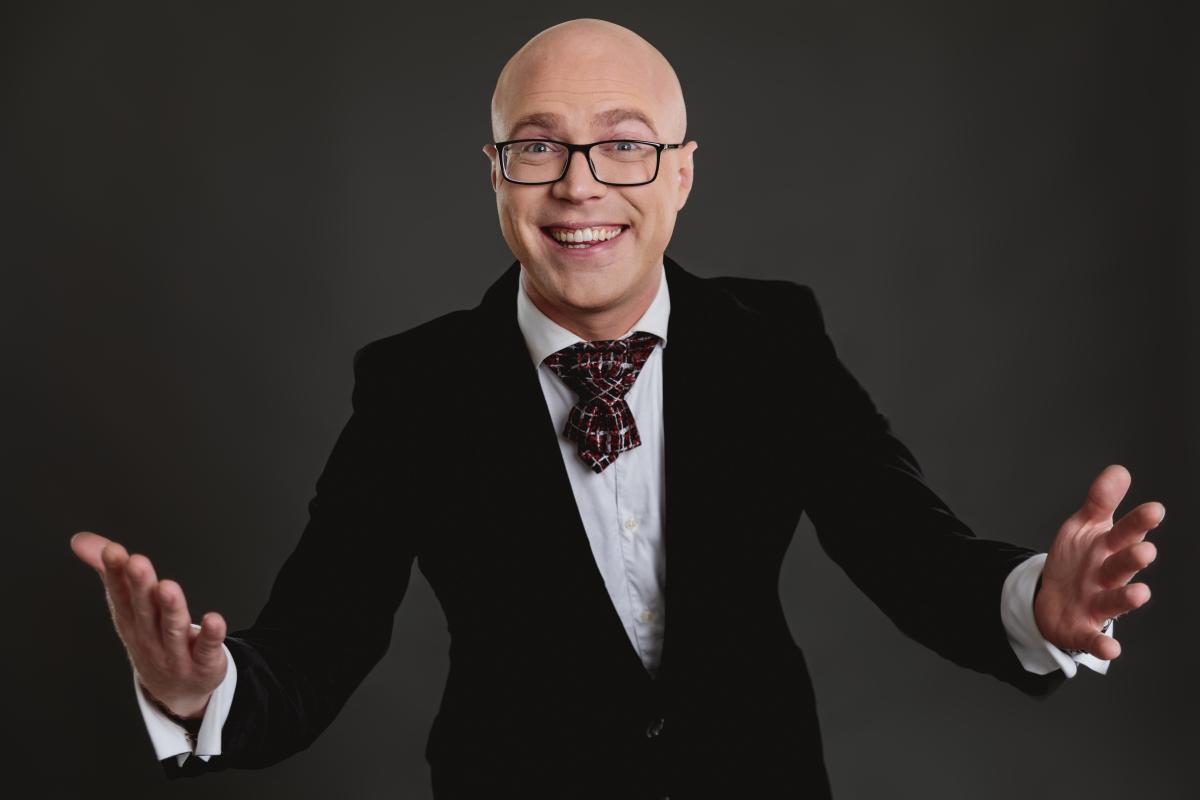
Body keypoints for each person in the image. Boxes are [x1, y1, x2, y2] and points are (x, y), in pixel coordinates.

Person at [70, 18, 1165, 799]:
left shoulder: (773, 341)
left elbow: (907, 548)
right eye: (539, 145)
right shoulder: (415, 387)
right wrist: (201, 689)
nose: (580, 183)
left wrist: (1037, 601)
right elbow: (320, 638)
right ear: (497, 174)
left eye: (625, 144)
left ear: (681, 174)